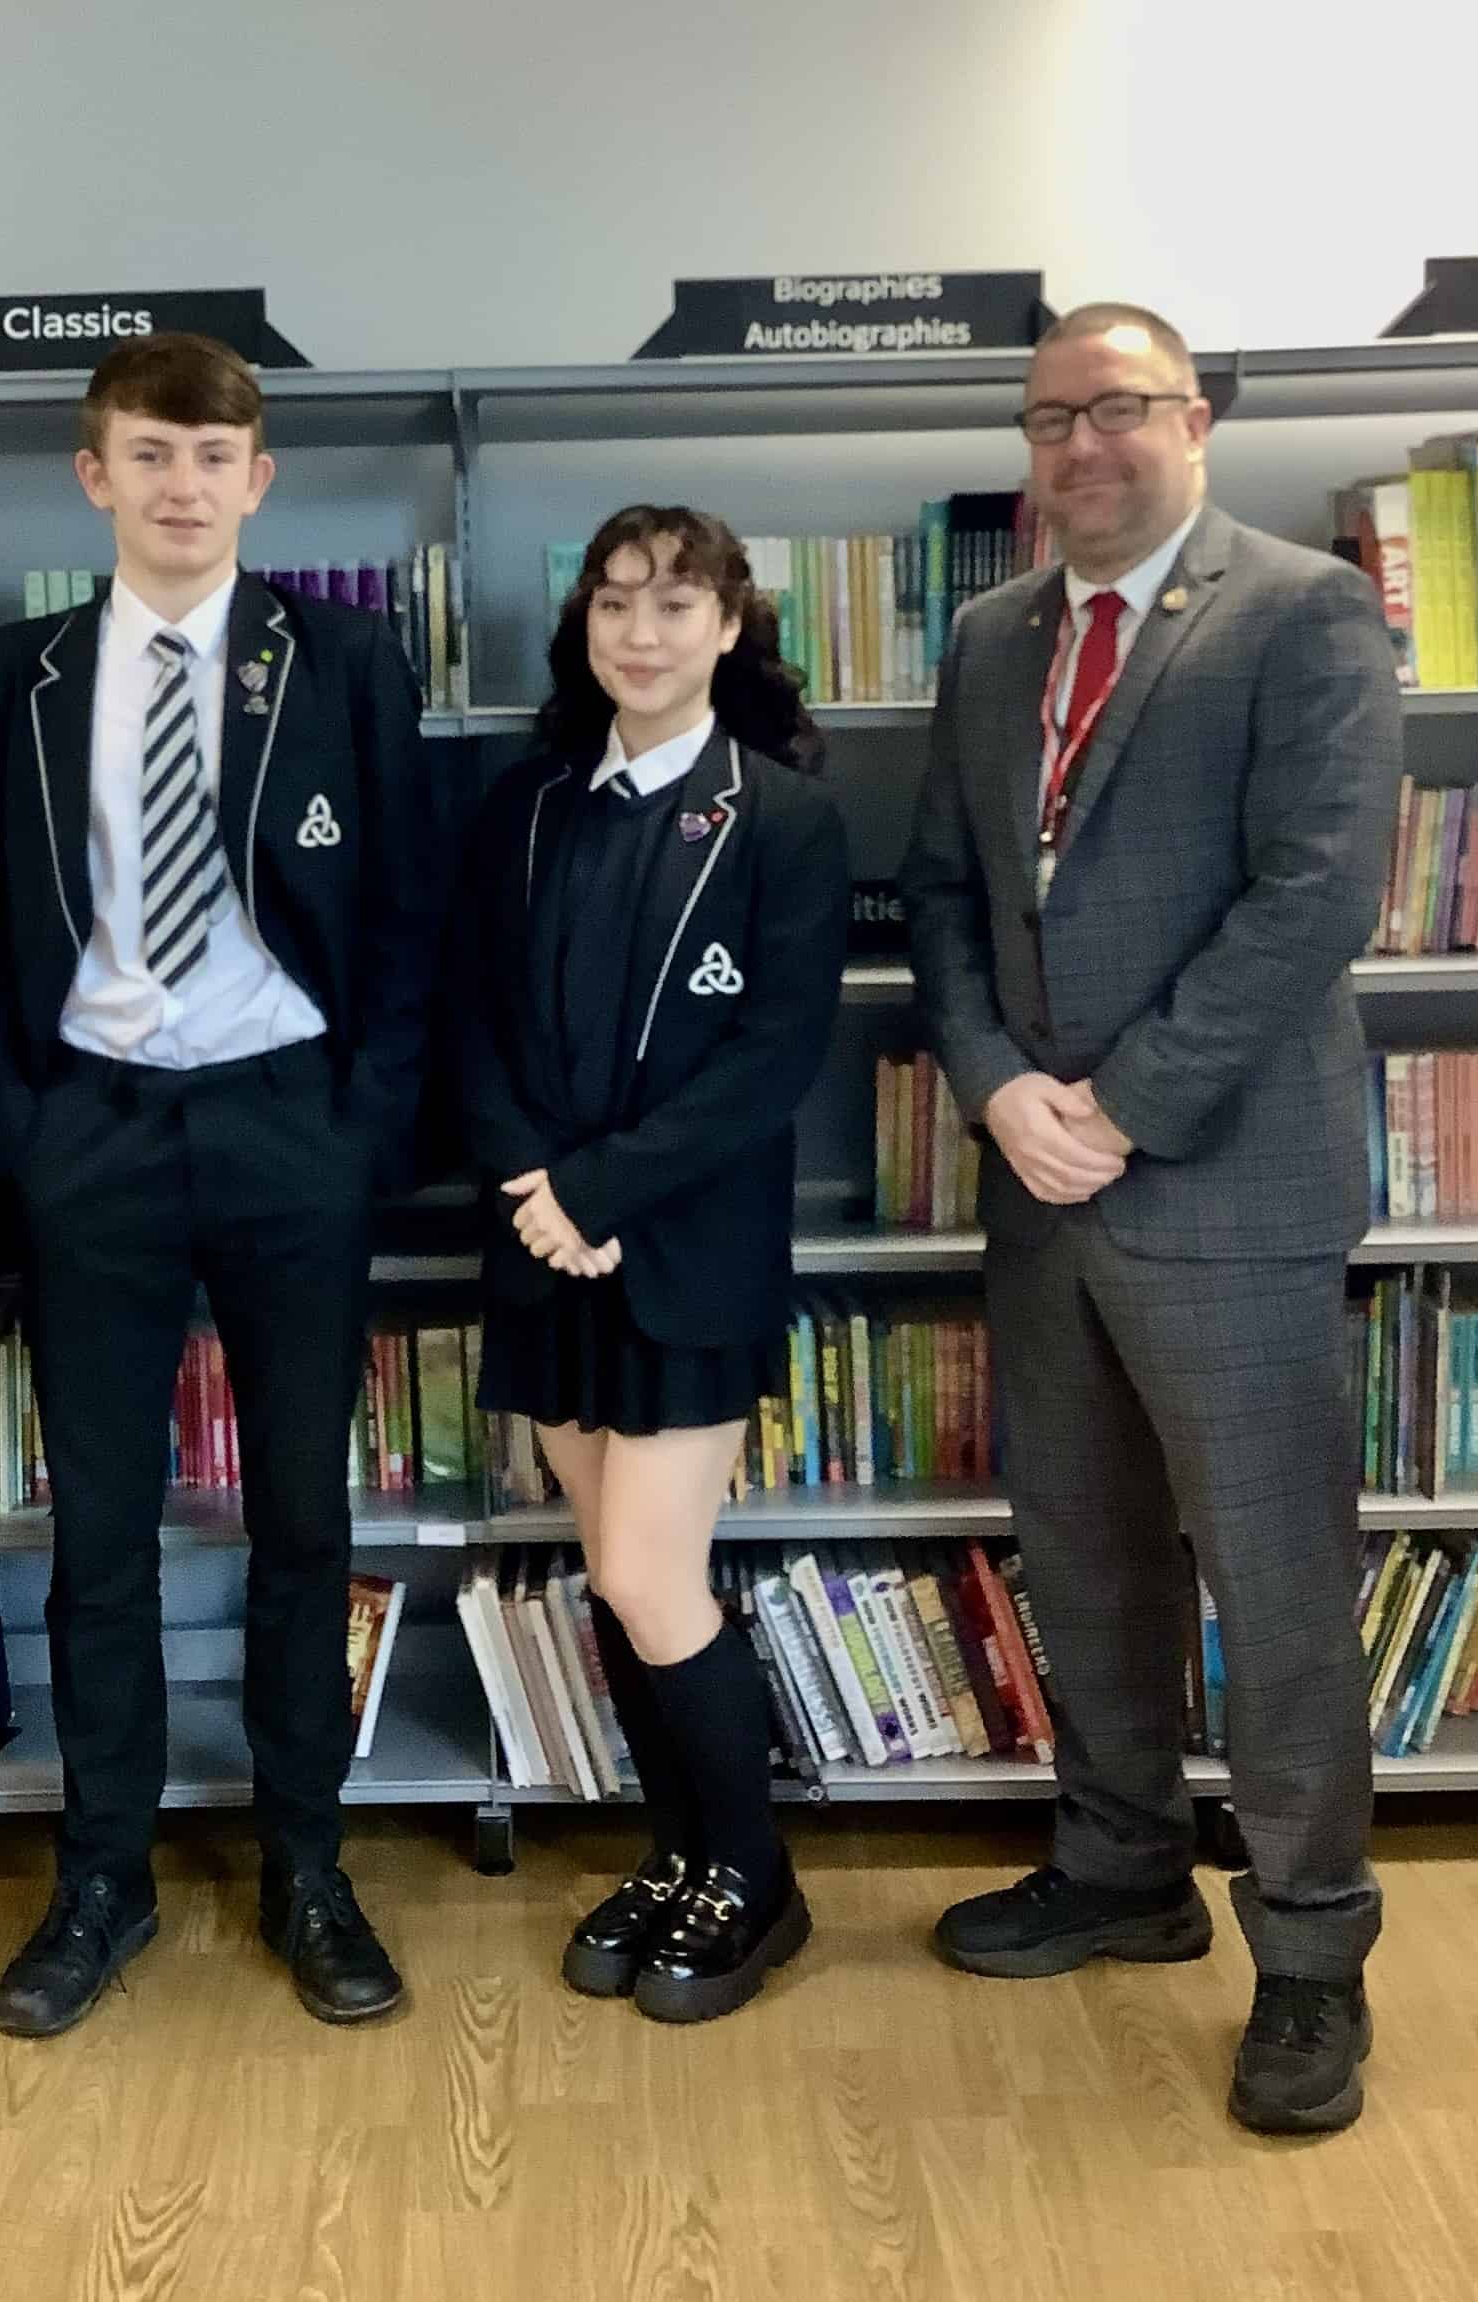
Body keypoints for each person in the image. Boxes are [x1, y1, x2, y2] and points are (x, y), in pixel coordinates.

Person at [901, 302, 1401, 2134]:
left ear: (1193, 418)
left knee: (1270, 1593)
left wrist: (1117, 1104)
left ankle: (1313, 1960)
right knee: (1089, 1555)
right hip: (1037, 1183)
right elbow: (942, 893)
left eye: (1115, 410)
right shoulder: (986, 635)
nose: (1080, 447)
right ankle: (1119, 1871)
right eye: (1049, 420)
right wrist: (996, 1091)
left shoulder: (1300, 608)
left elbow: (1312, 893)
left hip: (1219, 1180)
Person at [0, 333, 442, 2035]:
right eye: (147, 456)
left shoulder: (352, 662)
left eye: (210, 458)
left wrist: (356, 1121)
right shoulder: (3, 673)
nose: (179, 486)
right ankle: (103, 1879)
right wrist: (19, 1122)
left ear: (258, 480)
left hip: (288, 1128)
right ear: (94, 476)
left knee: (303, 1513)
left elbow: (404, 920)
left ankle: (308, 1863)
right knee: (100, 1533)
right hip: (89, 1134)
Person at [455, 505, 849, 2022]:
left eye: (674, 603)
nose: (640, 630)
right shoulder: (529, 808)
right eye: (613, 602)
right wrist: (534, 1191)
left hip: (686, 1248)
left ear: (729, 625)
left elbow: (771, 1057)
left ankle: (755, 1875)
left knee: (641, 1567)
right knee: (618, 1584)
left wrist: (603, 1187)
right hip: (547, 1248)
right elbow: (474, 1022)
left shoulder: (785, 816)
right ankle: (681, 1853)